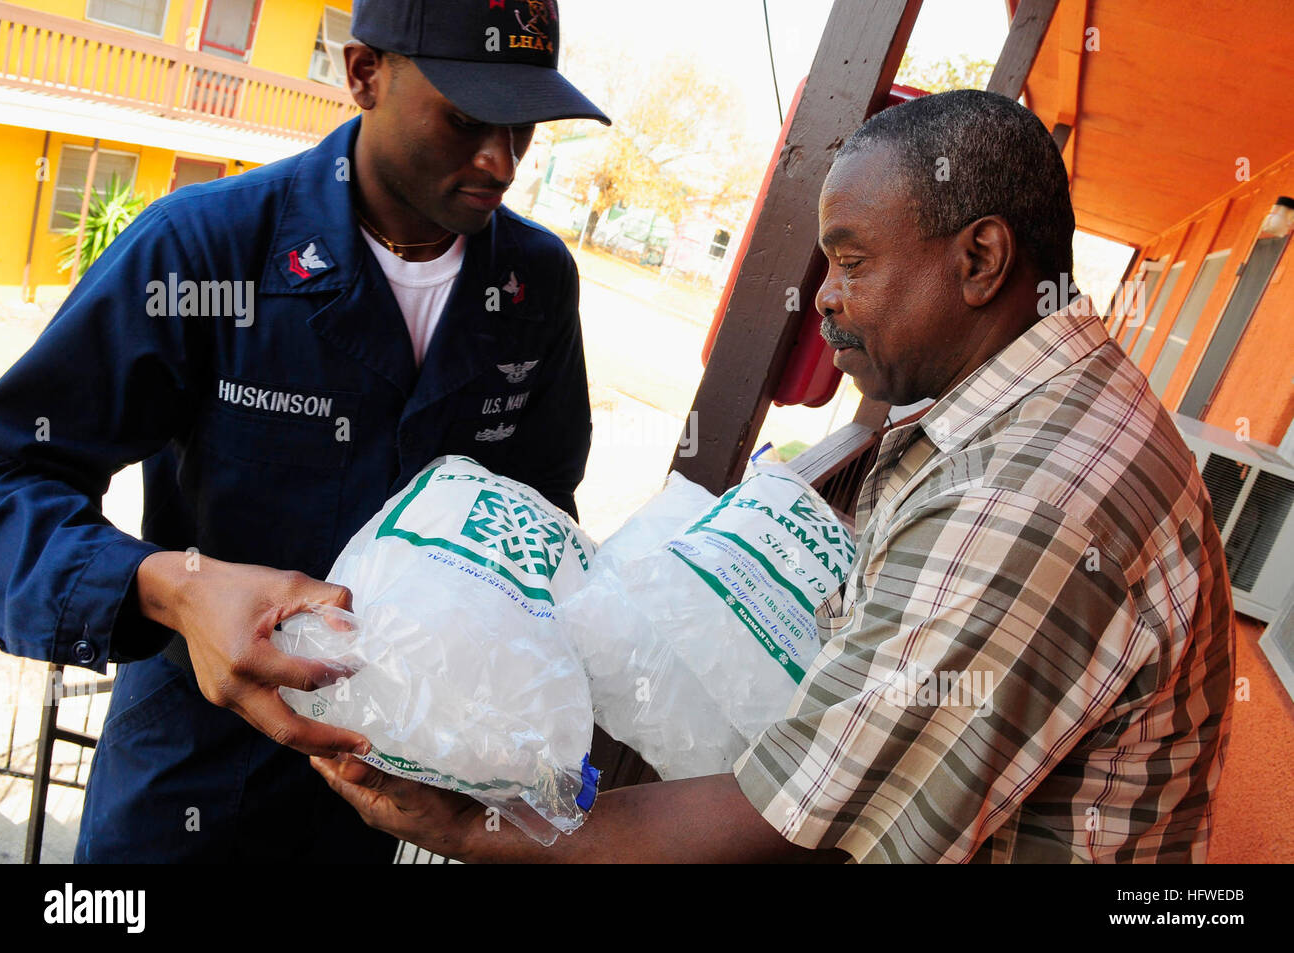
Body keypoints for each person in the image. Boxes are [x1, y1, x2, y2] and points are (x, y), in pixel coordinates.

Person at [314, 89, 1236, 863]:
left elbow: (794, 819)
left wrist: (465, 824)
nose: (826, 296)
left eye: (854, 262)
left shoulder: (1027, 500)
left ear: (981, 260)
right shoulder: (1036, 409)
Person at [0, 0, 608, 862]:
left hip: (388, 779)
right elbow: (9, 476)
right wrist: (166, 586)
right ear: (363, 73)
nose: (501, 161)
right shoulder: (204, 252)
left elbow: (539, 513)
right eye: (469, 118)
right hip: (187, 764)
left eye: (525, 126)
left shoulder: (536, 284)